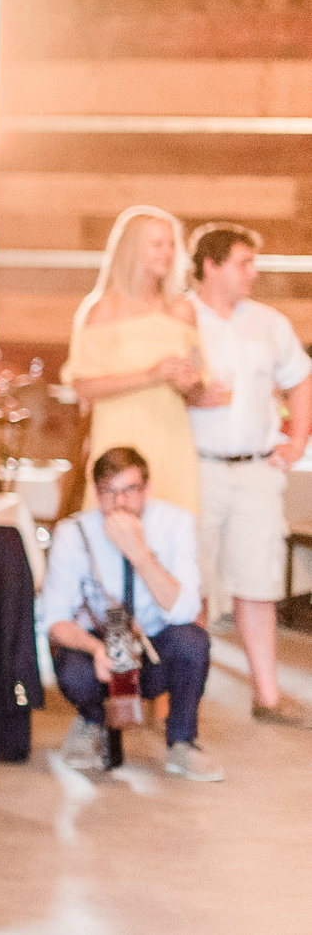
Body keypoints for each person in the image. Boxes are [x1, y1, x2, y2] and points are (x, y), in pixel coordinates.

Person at [185, 222, 312, 727]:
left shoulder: (268, 323)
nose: (252, 274)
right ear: (210, 265)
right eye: (244, 263)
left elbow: (301, 379)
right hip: (197, 467)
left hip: (258, 468)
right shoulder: (180, 317)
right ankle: (182, 698)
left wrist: (298, 440)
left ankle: (268, 696)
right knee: (190, 584)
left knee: (258, 584)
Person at [43, 447, 217, 780]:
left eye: (130, 490)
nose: (120, 502)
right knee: (73, 668)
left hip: (152, 644)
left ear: (147, 490)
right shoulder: (74, 533)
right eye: (109, 491)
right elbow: (53, 618)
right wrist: (96, 650)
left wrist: (139, 553)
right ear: (96, 494)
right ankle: (92, 720)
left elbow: (185, 610)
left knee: (192, 643)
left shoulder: (175, 523)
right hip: (100, 644)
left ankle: (182, 742)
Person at [63, 206, 204, 513]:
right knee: (117, 528)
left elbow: (198, 385)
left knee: (171, 528)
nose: (167, 252)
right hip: (118, 433)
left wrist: (190, 383)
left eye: (171, 244)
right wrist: (150, 375)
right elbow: (83, 387)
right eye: (157, 244)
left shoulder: (183, 310)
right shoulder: (102, 310)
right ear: (131, 249)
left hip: (172, 437)